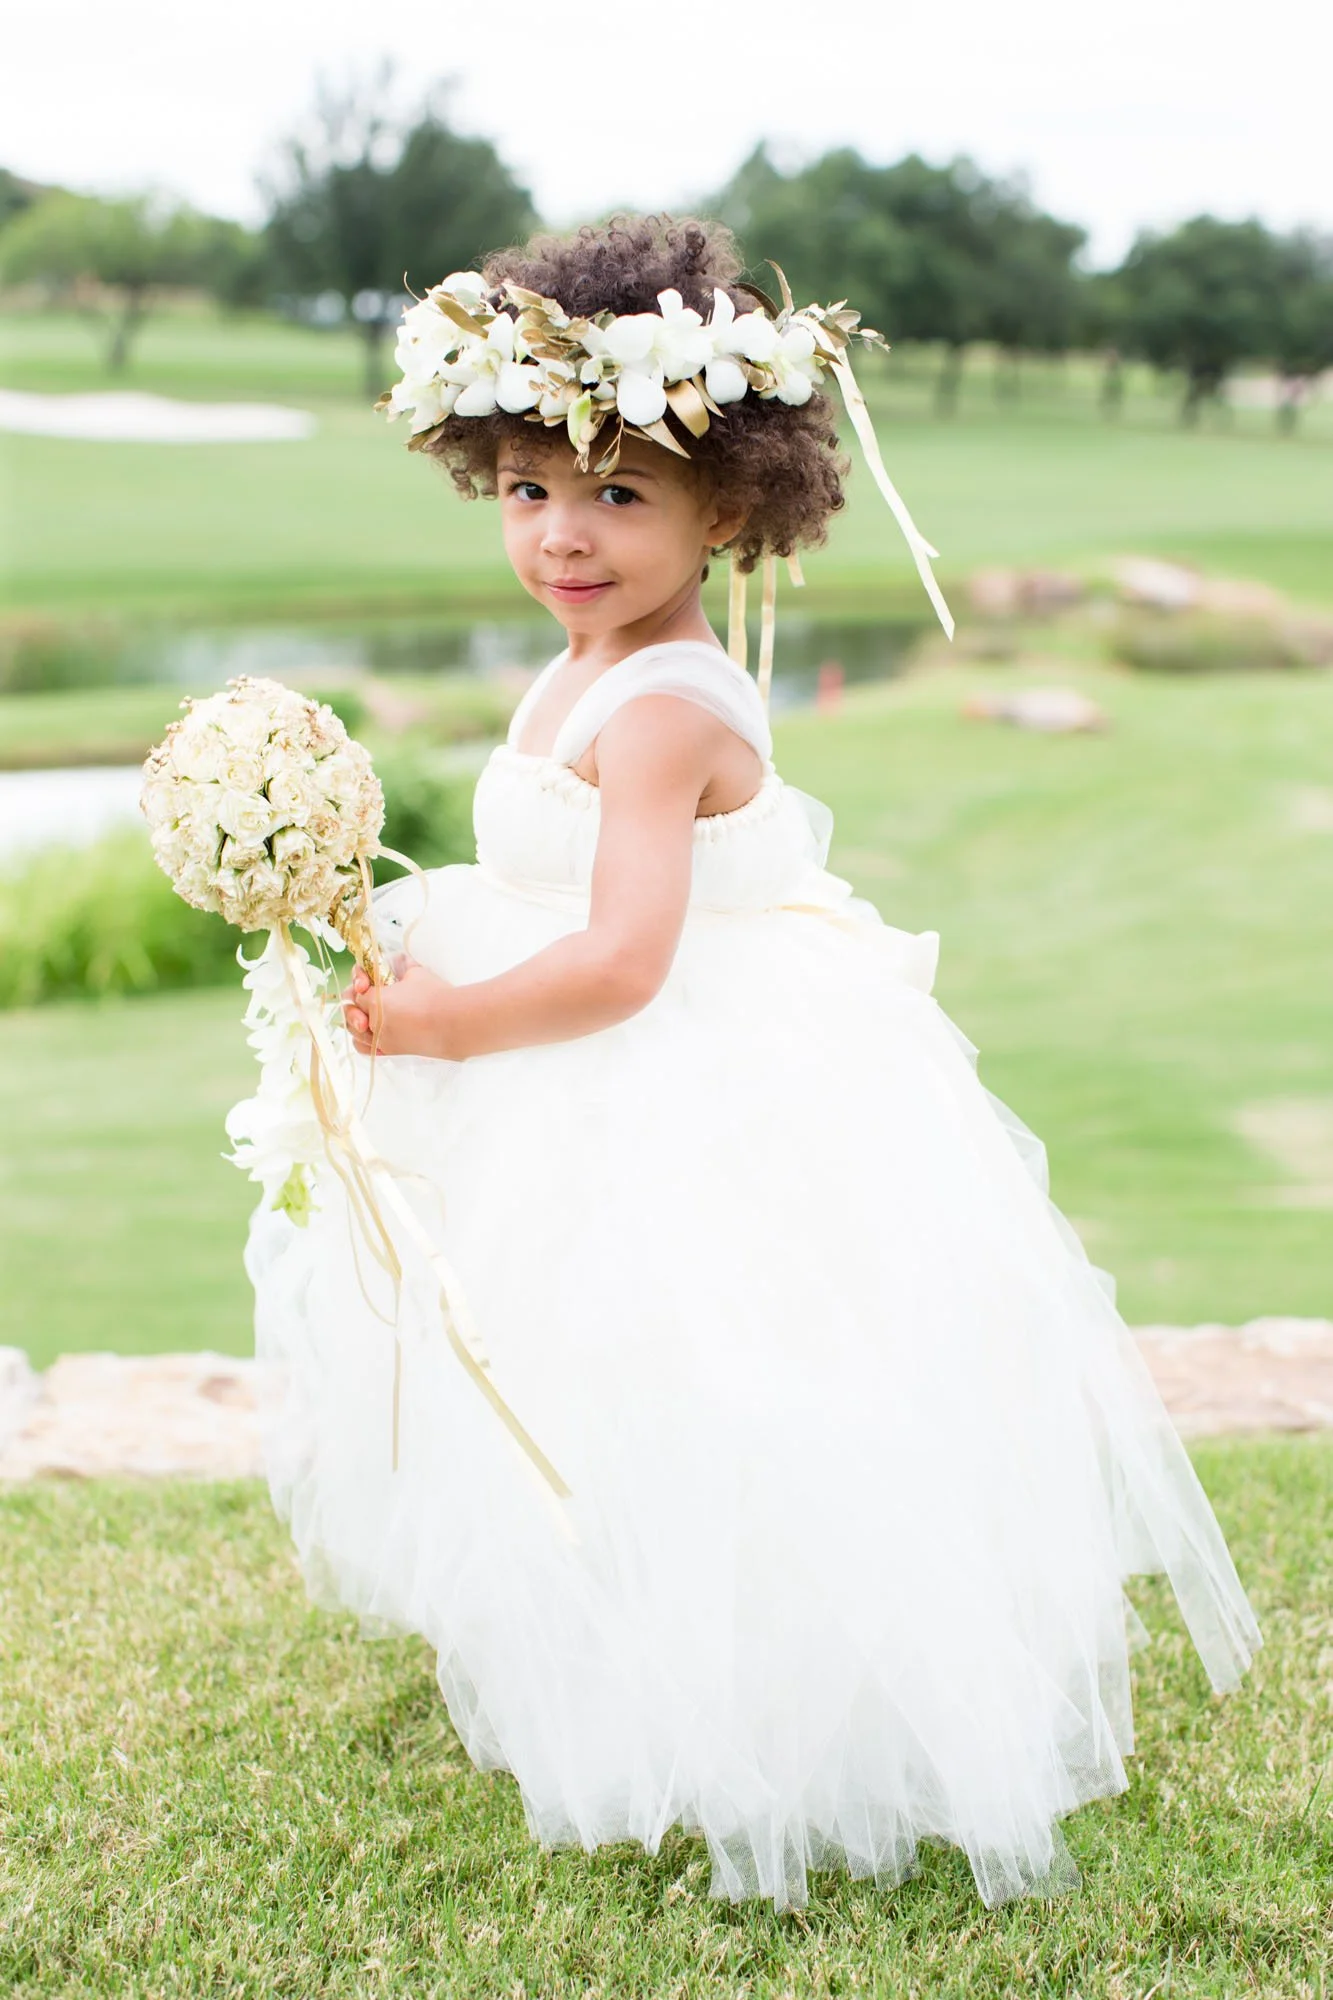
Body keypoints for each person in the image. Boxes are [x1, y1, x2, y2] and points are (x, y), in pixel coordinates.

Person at [245, 213, 1261, 1915]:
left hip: (676, 1083)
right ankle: (611, 1650)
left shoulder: (663, 713)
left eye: (617, 496)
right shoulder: (595, 662)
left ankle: (758, 1712)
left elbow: (627, 962)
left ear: (734, 504)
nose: (562, 535)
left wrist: (432, 1024)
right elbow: (548, 891)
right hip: (581, 1060)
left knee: (717, 1387)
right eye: (523, 489)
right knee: (587, 1383)